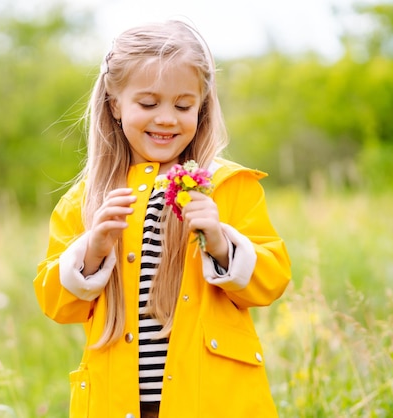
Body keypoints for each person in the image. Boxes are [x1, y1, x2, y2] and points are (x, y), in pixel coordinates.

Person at [33, 19, 291, 418]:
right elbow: (56, 305)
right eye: (149, 104)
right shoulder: (86, 202)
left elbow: (270, 284)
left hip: (214, 400)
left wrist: (220, 242)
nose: (167, 118)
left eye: (183, 105)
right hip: (116, 402)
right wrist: (92, 250)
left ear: (201, 107)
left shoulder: (228, 187)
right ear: (115, 105)